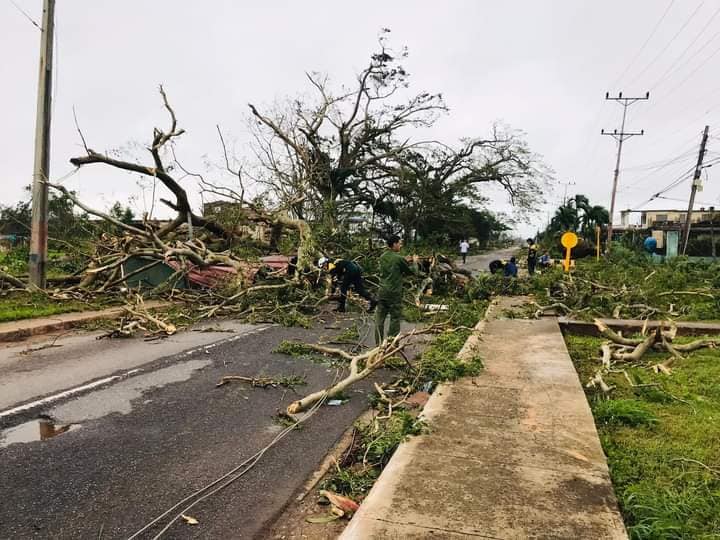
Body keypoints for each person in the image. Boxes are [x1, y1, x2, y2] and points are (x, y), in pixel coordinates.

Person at [375, 235, 418, 344]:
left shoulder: (382, 256)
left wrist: (404, 260)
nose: (401, 245)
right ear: (394, 244)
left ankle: (378, 344)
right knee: (394, 318)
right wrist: (415, 262)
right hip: (394, 292)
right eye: (399, 243)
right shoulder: (398, 258)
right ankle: (391, 344)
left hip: (382, 291)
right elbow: (411, 272)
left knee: (379, 319)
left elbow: (393, 267)